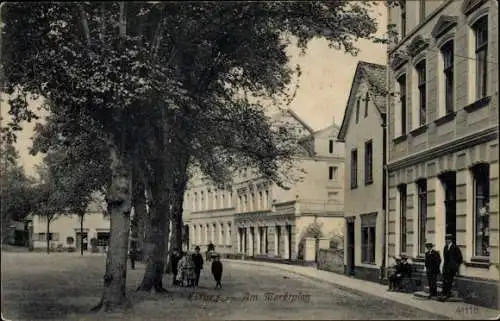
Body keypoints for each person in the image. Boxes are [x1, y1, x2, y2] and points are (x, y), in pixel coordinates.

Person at [441, 234, 463, 301]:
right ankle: (444, 294)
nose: (447, 241)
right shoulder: (445, 247)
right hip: (446, 267)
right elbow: (445, 258)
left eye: (448, 239)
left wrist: (455, 265)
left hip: (451, 268)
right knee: (445, 280)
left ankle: (447, 294)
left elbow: (460, 258)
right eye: (446, 239)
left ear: (451, 240)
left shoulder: (455, 247)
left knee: (449, 281)